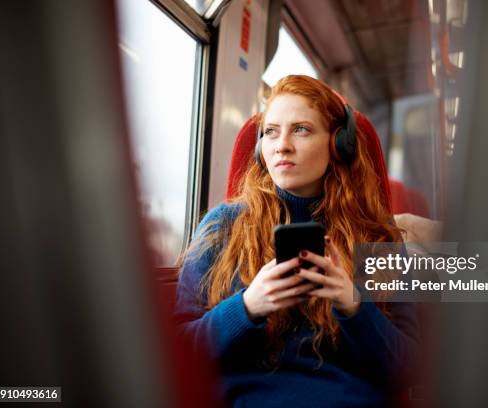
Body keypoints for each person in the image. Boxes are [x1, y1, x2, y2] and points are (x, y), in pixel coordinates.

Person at [174, 75, 420, 407]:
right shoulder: (222, 226)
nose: (281, 145)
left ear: (338, 144)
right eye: (271, 132)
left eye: (301, 129)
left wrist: (353, 305)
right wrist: (247, 307)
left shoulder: (375, 235)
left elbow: (408, 369)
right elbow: (178, 353)